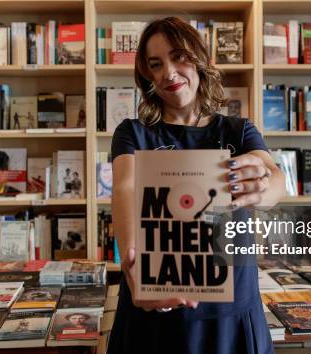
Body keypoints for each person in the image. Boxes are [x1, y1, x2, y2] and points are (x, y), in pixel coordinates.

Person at [108, 17, 285, 354]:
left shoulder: (238, 130)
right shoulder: (133, 133)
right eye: (156, 64)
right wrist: (133, 265)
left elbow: (276, 179)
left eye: (179, 57)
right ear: (146, 75)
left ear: (201, 60)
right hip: (155, 309)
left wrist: (263, 188)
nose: (169, 73)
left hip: (229, 313)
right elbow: (125, 190)